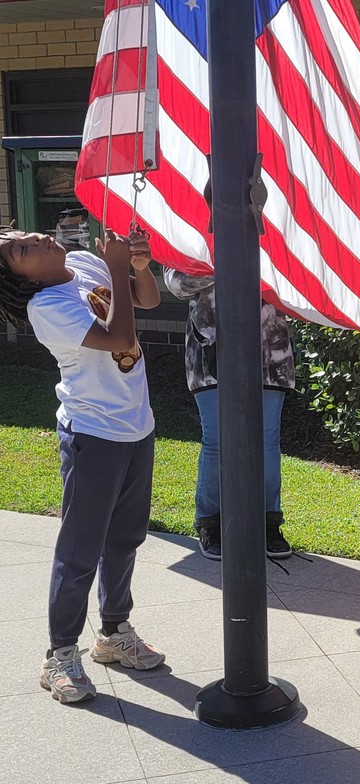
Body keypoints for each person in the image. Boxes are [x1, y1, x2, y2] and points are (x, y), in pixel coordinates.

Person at [0, 225, 165, 704]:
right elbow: (120, 336)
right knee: (79, 550)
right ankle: (60, 656)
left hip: (137, 425)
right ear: (19, 279)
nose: (32, 239)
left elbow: (147, 302)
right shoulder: (46, 307)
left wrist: (135, 268)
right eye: (20, 251)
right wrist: (116, 264)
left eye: (24, 235)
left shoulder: (85, 262)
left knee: (125, 538)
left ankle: (114, 634)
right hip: (93, 433)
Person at [163, 268, 296, 561]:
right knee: (217, 441)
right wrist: (227, 260)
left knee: (267, 442)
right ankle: (210, 523)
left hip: (270, 357)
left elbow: (295, 285)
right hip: (211, 357)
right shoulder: (191, 238)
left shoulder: (272, 237)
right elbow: (176, 283)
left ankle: (268, 524)